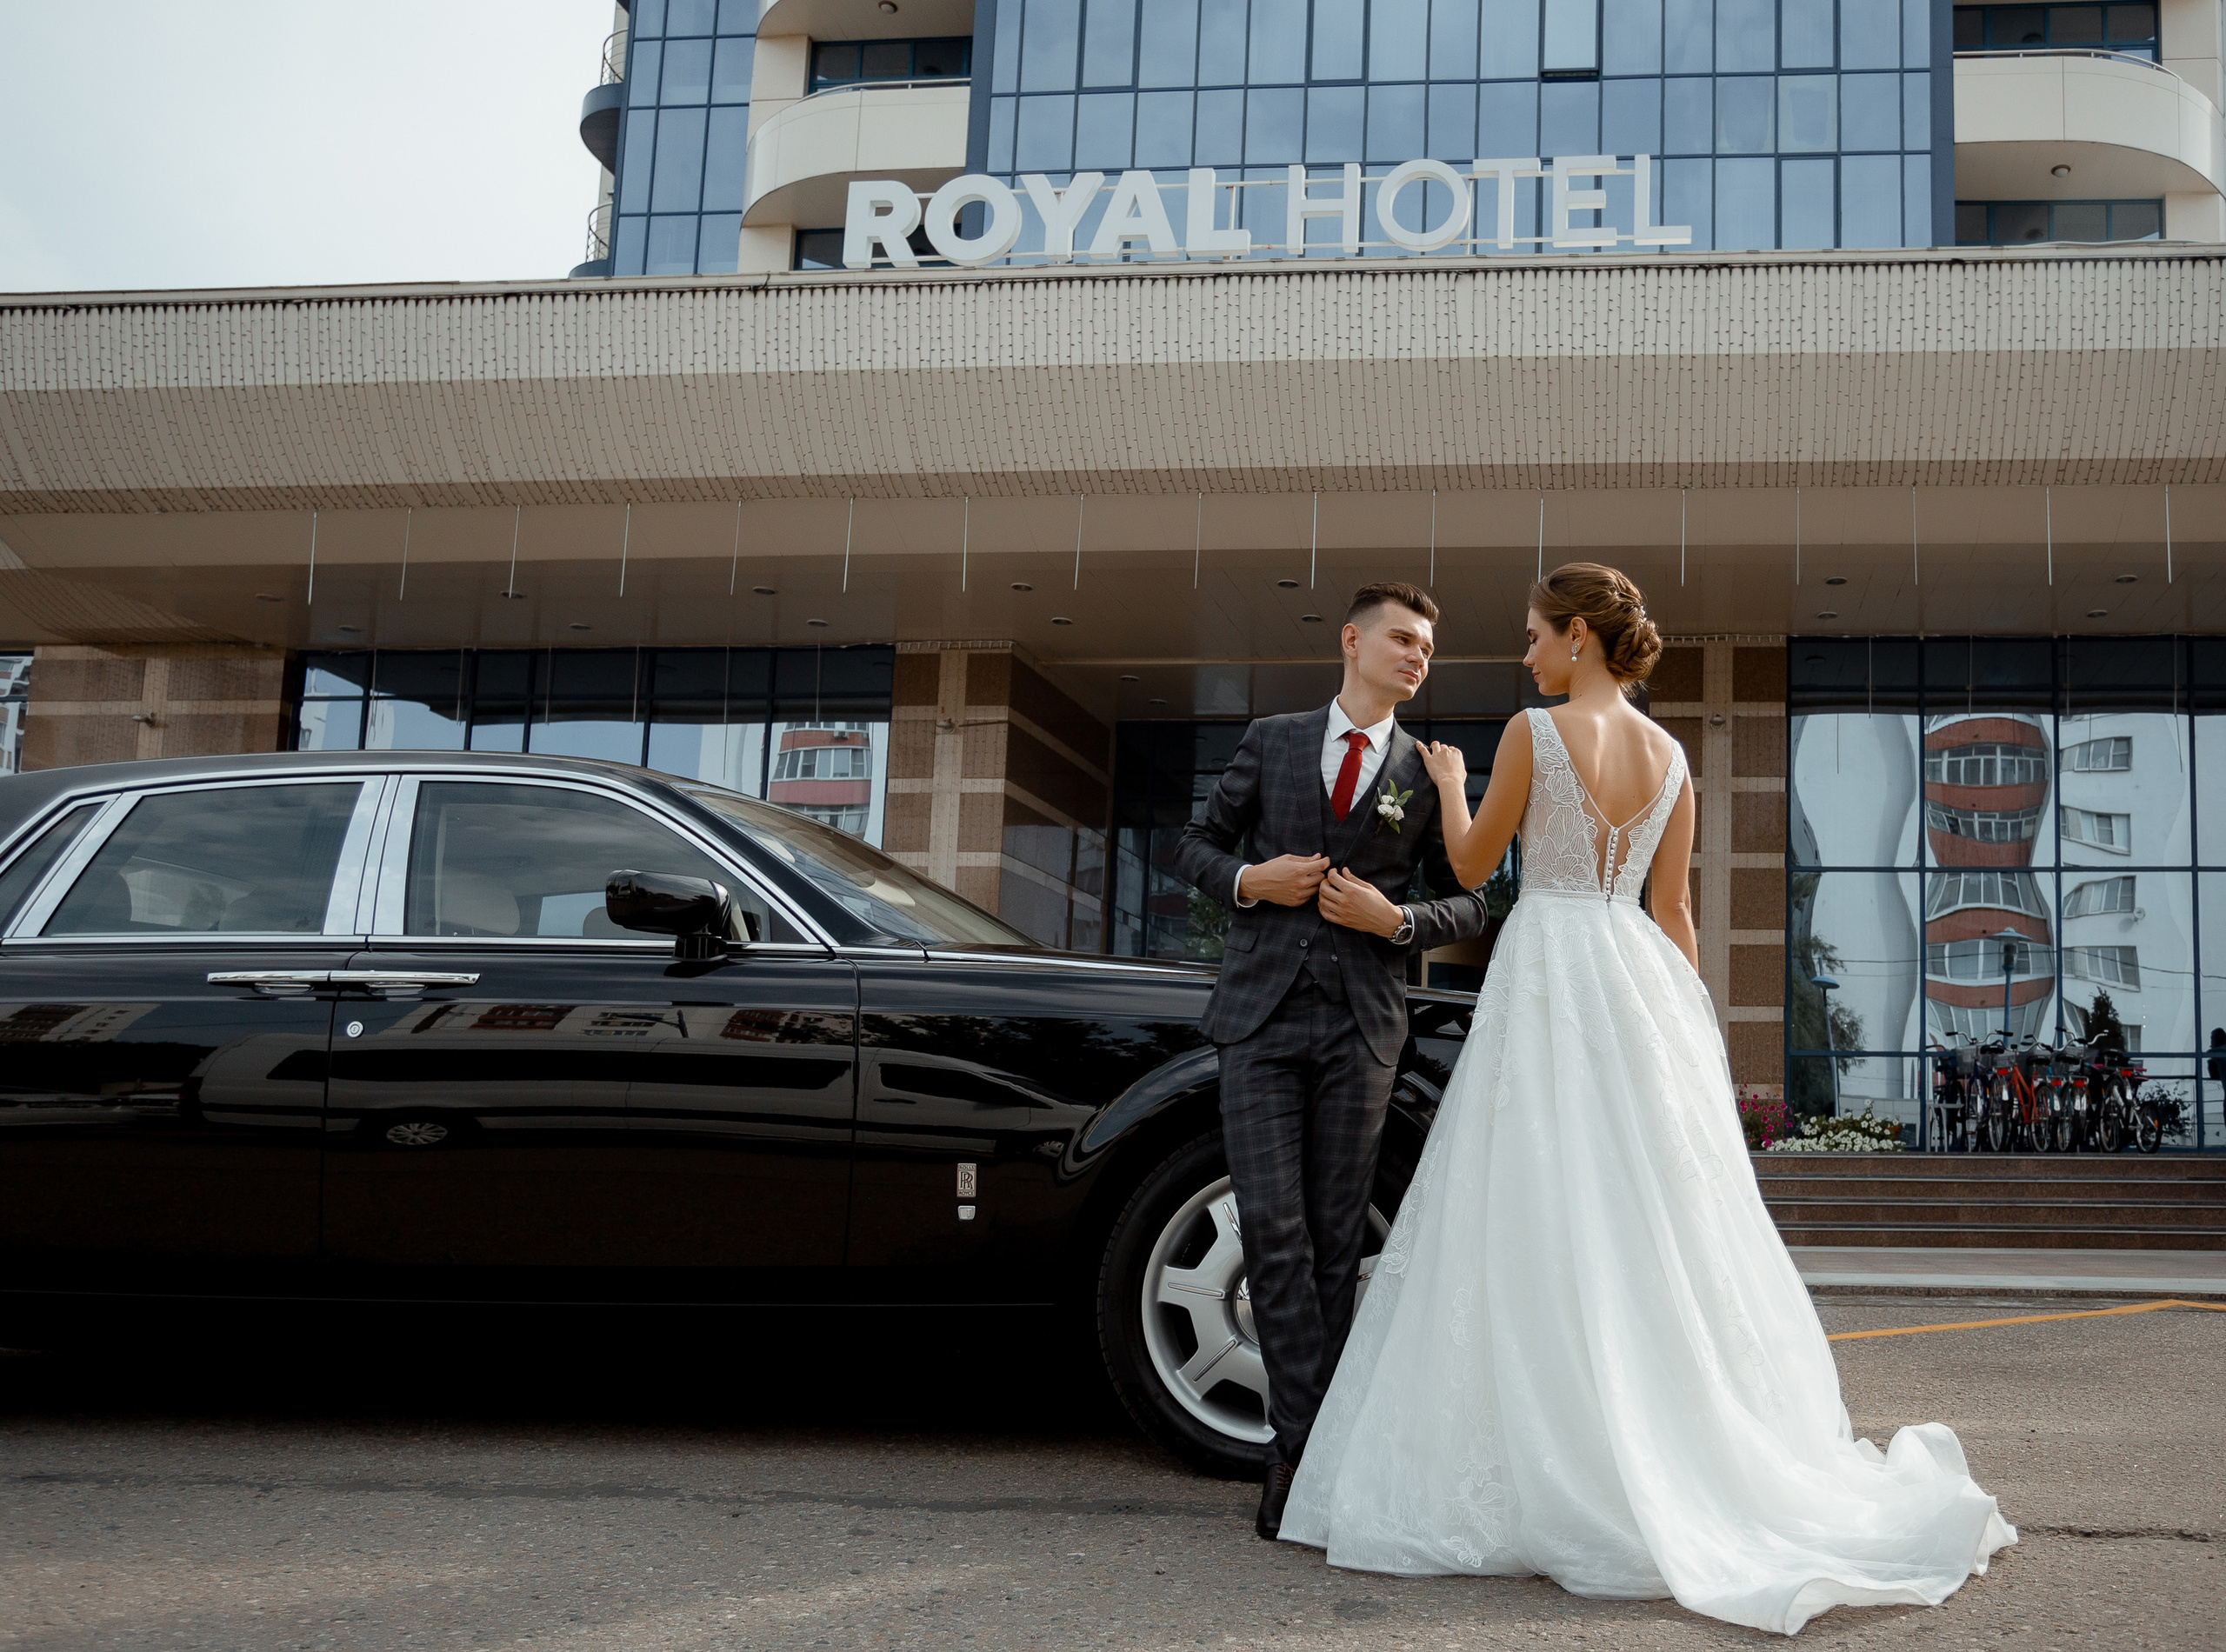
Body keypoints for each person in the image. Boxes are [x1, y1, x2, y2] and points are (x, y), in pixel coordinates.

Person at [1278, 563, 2014, 1635]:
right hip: (1640, 984)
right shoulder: (1674, 757)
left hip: (1551, 968)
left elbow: (1481, 867)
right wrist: (1691, 1035)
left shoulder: (1532, 732)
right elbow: (1673, 910)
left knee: (1531, 1200)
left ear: (1577, 636)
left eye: (1534, 634)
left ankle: (1560, 1444)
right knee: (1642, 1215)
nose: (1525, 653)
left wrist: (1446, 780)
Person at [1174, 580, 1491, 1542]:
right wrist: (1246, 880)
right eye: (1400, 639)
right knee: (1271, 1233)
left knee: (1330, 1246)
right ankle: (1306, 1452)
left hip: (1360, 1027)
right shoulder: (1270, 740)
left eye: (1426, 649)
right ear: (1352, 642)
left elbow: (1471, 901)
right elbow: (1190, 845)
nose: (1414, 657)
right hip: (1261, 1021)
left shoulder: (1423, 771)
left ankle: (1302, 1459)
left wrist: (1395, 919)